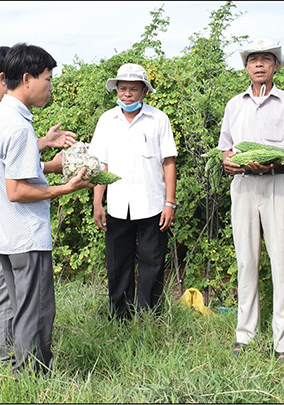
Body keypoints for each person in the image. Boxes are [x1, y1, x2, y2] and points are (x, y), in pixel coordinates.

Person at [0, 42, 92, 375]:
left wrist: (48, 162)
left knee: (17, 307)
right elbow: (17, 190)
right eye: (48, 79)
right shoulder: (18, 126)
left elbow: (9, 170)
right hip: (25, 236)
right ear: (27, 79)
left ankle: (12, 367)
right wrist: (65, 188)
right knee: (36, 311)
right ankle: (34, 376)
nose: (50, 87)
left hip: (2, 233)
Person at [218, 38, 284, 362]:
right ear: (246, 67)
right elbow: (226, 148)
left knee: (282, 262)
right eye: (253, 59)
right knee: (246, 261)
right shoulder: (235, 105)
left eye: (266, 59)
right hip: (243, 186)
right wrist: (228, 163)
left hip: (278, 185)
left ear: (277, 66)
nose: (259, 64)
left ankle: (282, 342)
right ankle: (245, 333)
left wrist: (278, 161)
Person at [89, 63, 178, 322]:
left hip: (152, 204)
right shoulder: (107, 120)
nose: (127, 94)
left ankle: (147, 317)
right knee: (117, 263)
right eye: (123, 88)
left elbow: (168, 162)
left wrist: (169, 202)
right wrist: (97, 202)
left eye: (133, 89)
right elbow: (101, 165)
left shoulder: (158, 119)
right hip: (118, 205)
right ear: (116, 90)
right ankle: (119, 317)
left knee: (153, 262)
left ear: (144, 92)